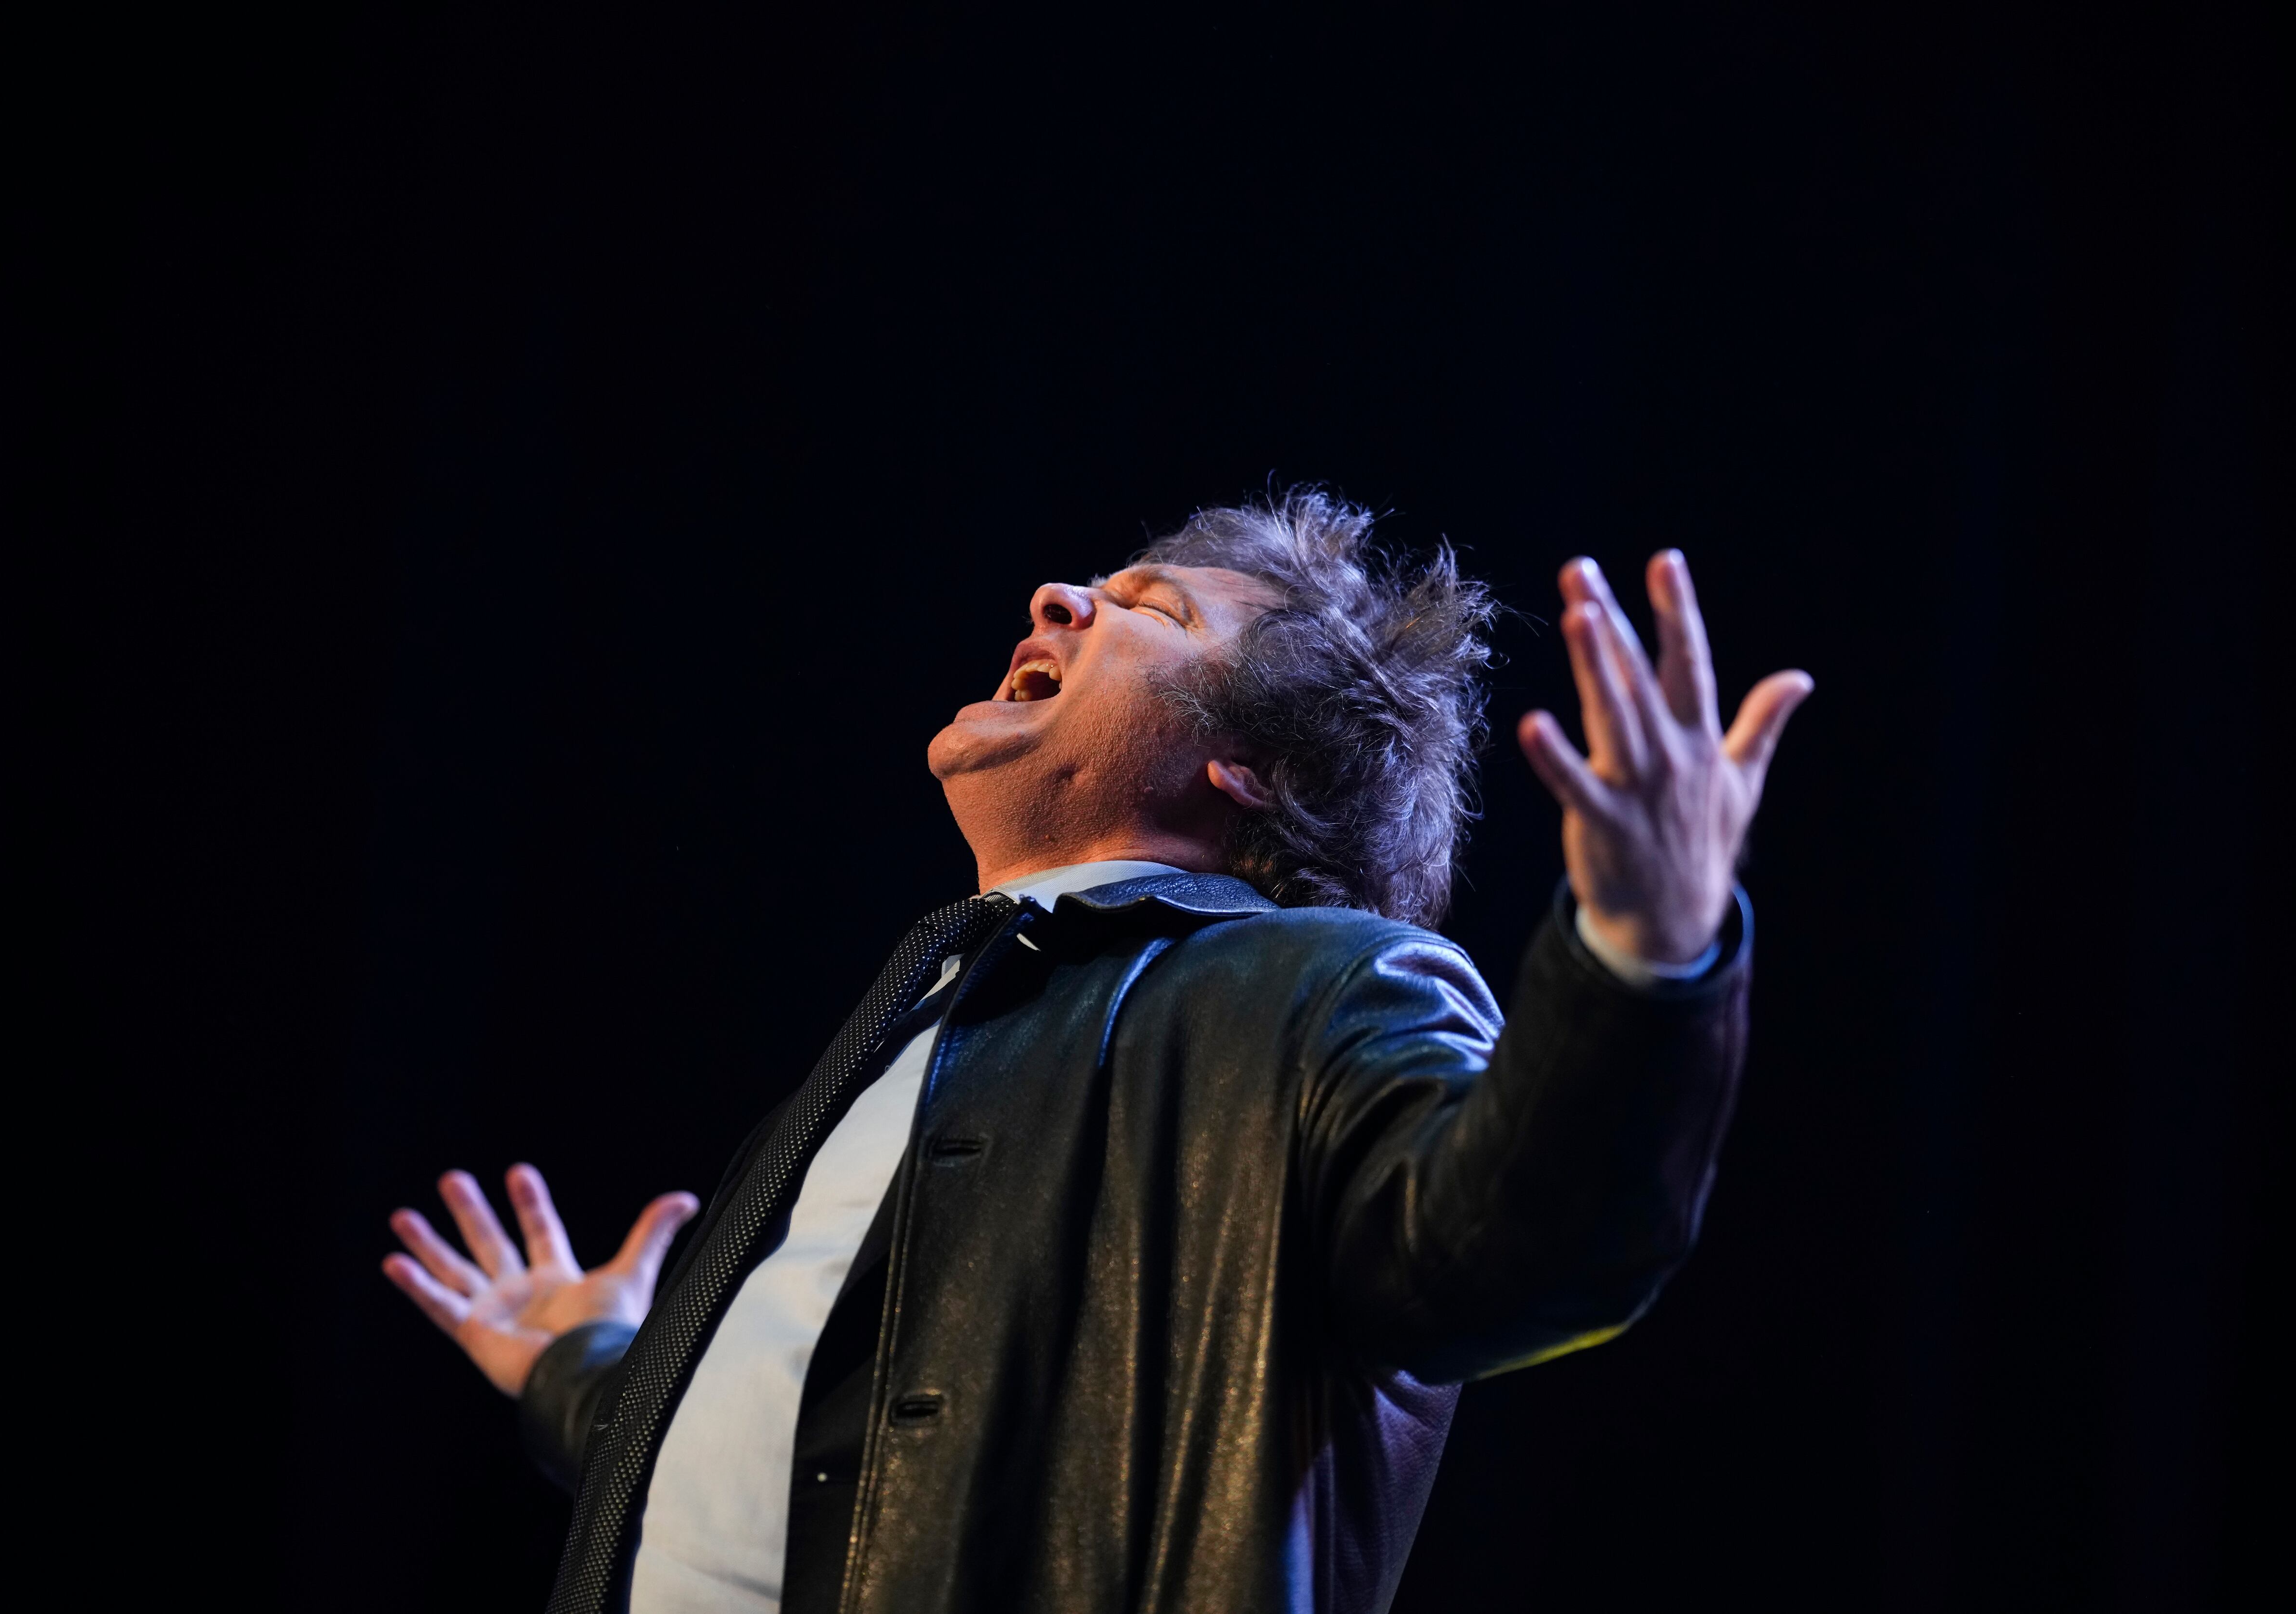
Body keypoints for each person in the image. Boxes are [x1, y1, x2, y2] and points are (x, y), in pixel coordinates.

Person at [381, 491, 1811, 1614]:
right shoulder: (931, 1016)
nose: (1058, 597)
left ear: (1248, 768)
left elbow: (1509, 1250)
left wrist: (1644, 954)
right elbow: (856, 1438)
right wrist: (584, 1369)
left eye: (1151, 609)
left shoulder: (1326, 991)